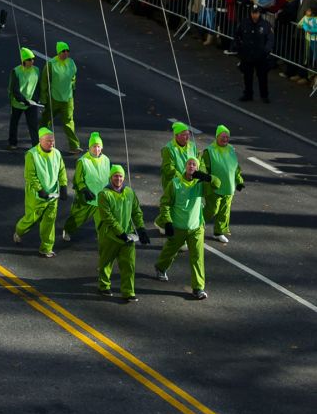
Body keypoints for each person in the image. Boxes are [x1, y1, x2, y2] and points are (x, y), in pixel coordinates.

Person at [154, 155, 208, 298]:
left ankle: (198, 288)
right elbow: (165, 204)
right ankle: (160, 267)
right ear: (185, 166)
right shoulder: (175, 183)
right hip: (178, 227)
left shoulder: (200, 183)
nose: (191, 166)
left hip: (196, 228)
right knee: (171, 251)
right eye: (189, 164)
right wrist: (168, 222)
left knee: (197, 258)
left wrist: (208, 177)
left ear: (197, 168)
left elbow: (218, 185)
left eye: (194, 165)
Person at [96, 164, 149, 303]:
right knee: (106, 262)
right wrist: (120, 233)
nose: (118, 178)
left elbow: (136, 212)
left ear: (124, 178)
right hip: (109, 235)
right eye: (115, 176)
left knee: (129, 265)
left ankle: (128, 292)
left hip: (127, 235)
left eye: (120, 176)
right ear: (110, 177)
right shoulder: (104, 194)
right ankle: (104, 285)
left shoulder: (130, 193)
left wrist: (141, 229)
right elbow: (107, 217)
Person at [13, 127, 67, 258]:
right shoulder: (31, 155)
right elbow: (30, 176)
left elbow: (61, 171)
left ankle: (46, 248)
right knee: (31, 219)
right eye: (48, 141)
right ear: (40, 140)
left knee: (49, 222)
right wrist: (40, 190)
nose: (51, 144)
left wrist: (63, 186)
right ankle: (19, 231)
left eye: (53, 141)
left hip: (53, 195)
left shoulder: (57, 154)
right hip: (36, 196)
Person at [61, 131, 110, 242]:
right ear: (89, 147)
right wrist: (84, 190)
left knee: (102, 220)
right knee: (78, 218)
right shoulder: (83, 161)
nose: (96, 149)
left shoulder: (106, 160)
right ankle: (67, 229)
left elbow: (108, 176)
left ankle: (103, 238)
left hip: (101, 198)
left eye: (98, 146)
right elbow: (78, 179)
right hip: (87, 198)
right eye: (94, 146)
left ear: (101, 147)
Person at [201, 125, 244, 243]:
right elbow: (203, 166)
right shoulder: (209, 151)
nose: (225, 139)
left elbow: (235, 167)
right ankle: (197, 224)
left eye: (227, 137)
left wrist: (239, 180)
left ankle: (218, 232)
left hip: (229, 187)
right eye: (223, 136)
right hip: (214, 187)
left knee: (224, 212)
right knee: (212, 210)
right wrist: (205, 177)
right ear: (217, 136)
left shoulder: (231, 149)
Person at [40, 41, 81, 153]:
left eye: (67, 51)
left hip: (67, 99)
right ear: (58, 52)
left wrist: (72, 87)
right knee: (46, 121)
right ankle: (41, 142)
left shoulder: (71, 63)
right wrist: (43, 98)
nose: (66, 53)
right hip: (54, 98)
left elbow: (73, 77)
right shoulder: (51, 64)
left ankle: (74, 146)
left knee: (69, 122)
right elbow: (44, 81)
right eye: (63, 51)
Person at [234, 1, 273, 103]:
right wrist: (239, 49)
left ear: (260, 13)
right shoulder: (244, 23)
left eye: (256, 13)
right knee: (247, 76)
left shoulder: (265, 25)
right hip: (247, 54)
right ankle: (248, 94)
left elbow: (270, 39)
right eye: (253, 13)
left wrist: (266, 51)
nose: (254, 15)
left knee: (262, 77)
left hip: (261, 56)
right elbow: (237, 36)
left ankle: (264, 95)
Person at [7, 46, 43, 150]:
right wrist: (23, 100)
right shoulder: (16, 71)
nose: (32, 61)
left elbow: (38, 86)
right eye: (29, 59)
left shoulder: (36, 70)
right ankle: (12, 142)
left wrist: (35, 99)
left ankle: (36, 146)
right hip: (18, 103)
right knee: (14, 123)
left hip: (32, 103)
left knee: (33, 125)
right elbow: (15, 89)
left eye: (33, 59)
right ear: (23, 60)